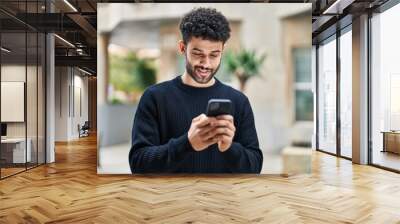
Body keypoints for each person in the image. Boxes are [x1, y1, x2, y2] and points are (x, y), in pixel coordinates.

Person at [129, 7, 263, 173]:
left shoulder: (239, 101)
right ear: (182, 48)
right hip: (168, 198)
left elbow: (255, 166)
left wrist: (229, 148)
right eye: (198, 53)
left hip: (223, 198)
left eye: (214, 55)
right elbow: (138, 163)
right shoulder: (154, 97)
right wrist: (187, 144)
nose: (206, 63)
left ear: (223, 51)